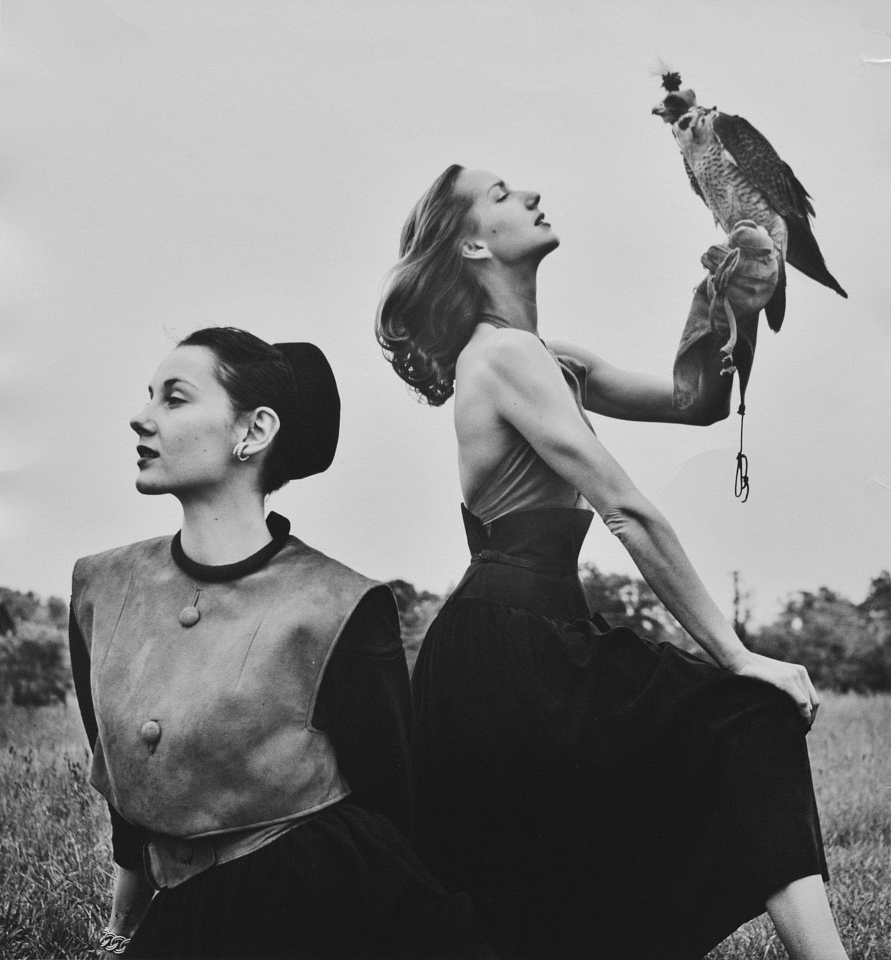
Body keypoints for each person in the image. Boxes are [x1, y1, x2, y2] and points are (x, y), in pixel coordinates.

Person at [375, 165, 848, 960]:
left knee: (531, 902)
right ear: (471, 243)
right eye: (499, 196)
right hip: (507, 645)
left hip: (523, 635)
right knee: (749, 718)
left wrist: (724, 304)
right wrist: (735, 656)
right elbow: (623, 507)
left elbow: (688, 397)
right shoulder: (500, 357)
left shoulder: (544, 356)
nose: (526, 192)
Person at [69, 326, 495, 959]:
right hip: (185, 919)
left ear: (254, 431)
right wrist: (120, 932)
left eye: (174, 398)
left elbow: (390, 810)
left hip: (323, 911)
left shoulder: (342, 604)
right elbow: (128, 797)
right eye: (148, 396)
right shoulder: (99, 587)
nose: (141, 418)